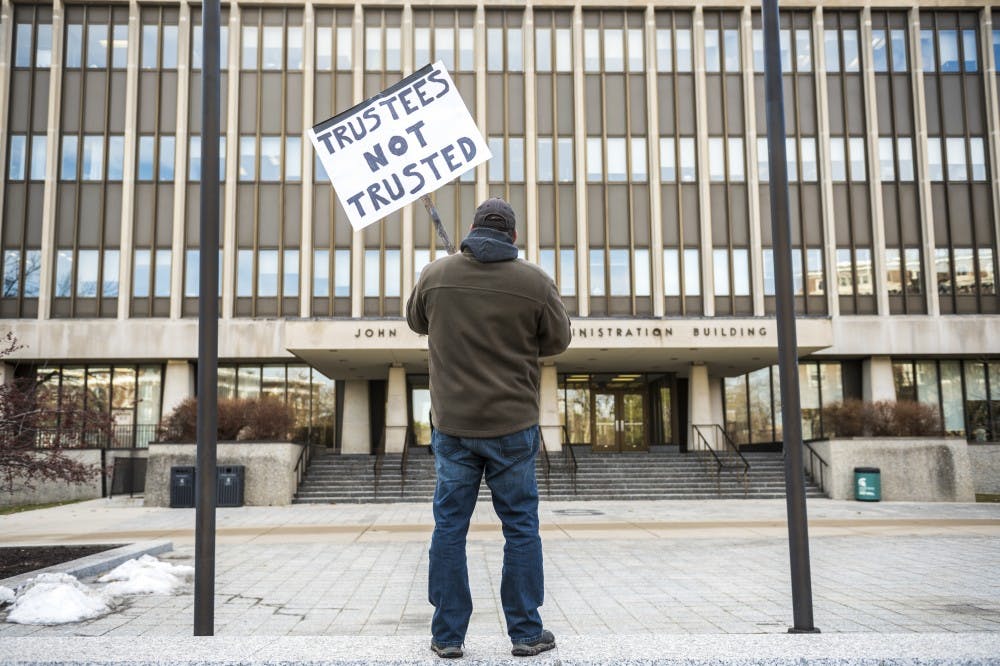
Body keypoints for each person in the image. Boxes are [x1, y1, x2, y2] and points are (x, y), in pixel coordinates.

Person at [406, 197, 572, 659]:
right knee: (520, 527)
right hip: (513, 425)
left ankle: (447, 636)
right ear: (513, 236)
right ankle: (524, 632)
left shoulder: (435, 275)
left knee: (449, 528)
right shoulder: (535, 282)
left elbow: (415, 320)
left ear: (472, 230)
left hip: (454, 426)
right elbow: (557, 341)